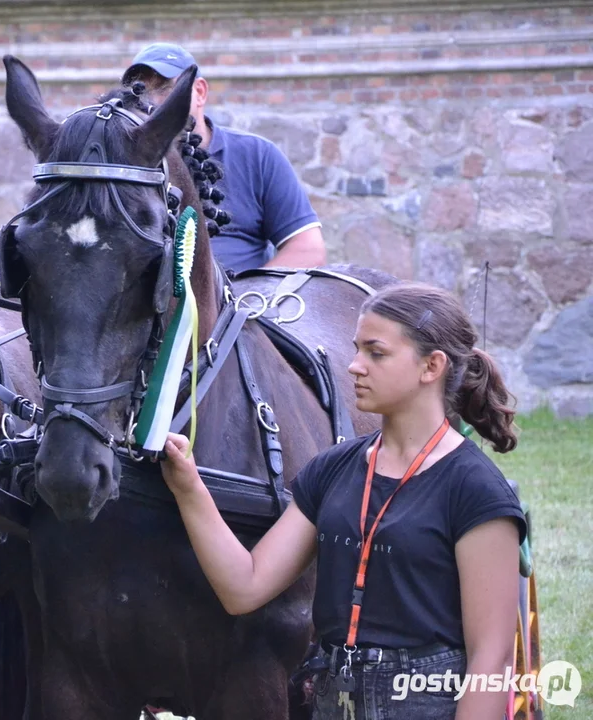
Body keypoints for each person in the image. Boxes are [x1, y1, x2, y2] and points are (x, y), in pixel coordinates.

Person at [160, 282, 527, 720]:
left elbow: (492, 657)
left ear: (432, 366)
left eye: (376, 353)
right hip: (334, 703)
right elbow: (245, 587)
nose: (353, 366)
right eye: (356, 350)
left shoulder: (477, 491)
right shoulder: (331, 469)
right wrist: (189, 489)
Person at [123, 43, 326, 274]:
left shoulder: (257, 155)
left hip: (247, 304)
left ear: (199, 92)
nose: (151, 102)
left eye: (164, 89)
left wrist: (248, 298)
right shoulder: (124, 164)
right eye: (140, 92)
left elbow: (307, 248)